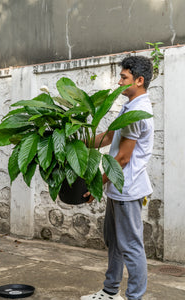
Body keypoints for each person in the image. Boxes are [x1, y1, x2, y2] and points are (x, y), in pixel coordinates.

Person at [81, 56, 154, 300]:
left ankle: (134, 297)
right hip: (118, 186)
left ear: (139, 80)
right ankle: (110, 292)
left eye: (124, 77)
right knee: (114, 240)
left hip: (127, 188)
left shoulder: (138, 112)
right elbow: (107, 137)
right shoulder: (129, 106)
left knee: (131, 246)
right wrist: (76, 143)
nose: (119, 81)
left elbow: (122, 158)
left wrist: (96, 186)